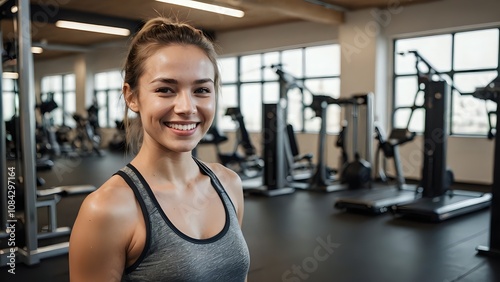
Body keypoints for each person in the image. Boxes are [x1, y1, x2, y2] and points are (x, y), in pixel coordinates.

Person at [69, 17, 250, 282]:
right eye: (165, 89)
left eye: (201, 89)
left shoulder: (229, 184)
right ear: (132, 97)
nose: (187, 107)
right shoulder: (107, 209)